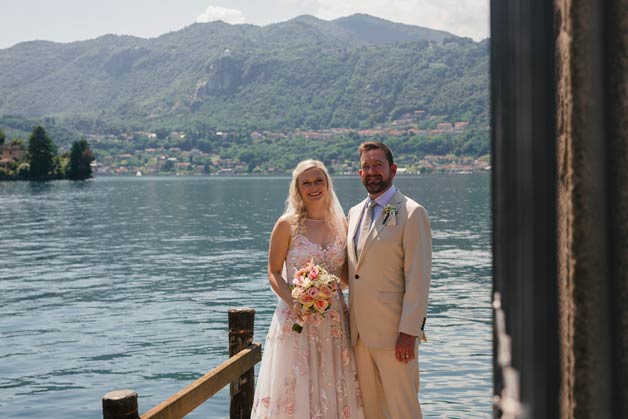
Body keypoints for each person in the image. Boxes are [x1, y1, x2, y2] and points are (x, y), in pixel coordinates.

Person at [252, 159, 364, 419]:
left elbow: (346, 278)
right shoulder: (287, 225)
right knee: (296, 385)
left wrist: (326, 289)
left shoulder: (342, 224)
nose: (313, 187)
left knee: (333, 381)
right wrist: (296, 301)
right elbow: (273, 272)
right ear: (298, 188)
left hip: (334, 320)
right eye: (307, 183)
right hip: (296, 319)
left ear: (327, 184)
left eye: (318, 181)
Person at [347, 142, 432, 419]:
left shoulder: (412, 212)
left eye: (377, 165)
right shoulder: (354, 213)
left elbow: (418, 278)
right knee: (371, 412)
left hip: (395, 336)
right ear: (360, 173)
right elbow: (357, 272)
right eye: (366, 167)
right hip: (359, 335)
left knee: (403, 410)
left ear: (392, 170)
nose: (371, 172)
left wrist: (409, 333)